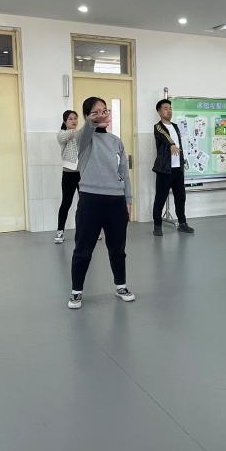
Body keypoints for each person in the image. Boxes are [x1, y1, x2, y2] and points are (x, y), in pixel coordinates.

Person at [68, 97, 135, 309]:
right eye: (96, 111)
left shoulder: (116, 141)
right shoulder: (83, 139)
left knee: (118, 249)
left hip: (116, 201)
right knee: (83, 249)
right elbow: (88, 127)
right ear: (87, 116)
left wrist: (128, 200)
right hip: (90, 201)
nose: (102, 114)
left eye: (105, 110)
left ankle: (121, 286)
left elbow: (124, 173)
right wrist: (93, 120)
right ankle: (76, 292)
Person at [151, 99, 194, 236]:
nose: (169, 111)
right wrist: (172, 144)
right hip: (164, 170)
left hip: (177, 169)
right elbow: (164, 136)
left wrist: (182, 162)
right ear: (159, 112)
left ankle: (182, 223)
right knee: (160, 199)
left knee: (180, 198)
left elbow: (180, 146)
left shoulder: (175, 126)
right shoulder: (158, 127)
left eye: (170, 108)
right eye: (165, 108)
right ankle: (157, 226)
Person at [55, 110, 80, 243]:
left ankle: (89, 230)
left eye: (75, 118)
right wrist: (76, 132)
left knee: (85, 203)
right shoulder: (62, 133)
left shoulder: (79, 134)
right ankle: (60, 231)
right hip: (69, 174)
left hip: (82, 173)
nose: (74, 121)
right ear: (65, 121)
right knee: (66, 203)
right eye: (71, 119)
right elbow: (63, 138)